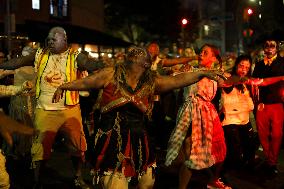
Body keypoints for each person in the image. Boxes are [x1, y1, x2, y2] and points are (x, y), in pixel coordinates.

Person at [51, 45, 224, 189]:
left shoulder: (151, 81)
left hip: (139, 136)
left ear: (146, 64)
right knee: (115, 184)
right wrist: (64, 86)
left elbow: (178, 80)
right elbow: (86, 82)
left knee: (146, 182)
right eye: (132, 56)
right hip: (112, 136)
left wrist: (201, 73)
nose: (134, 58)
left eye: (138, 58)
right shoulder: (111, 74)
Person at [0, 26, 104, 189]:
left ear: (64, 39)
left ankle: (78, 177)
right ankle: (38, 181)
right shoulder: (39, 54)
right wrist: (2, 66)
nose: (49, 41)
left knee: (77, 147)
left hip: (69, 110)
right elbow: (18, 62)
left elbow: (90, 65)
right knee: (39, 150)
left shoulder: (75, 56)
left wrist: (104, 65)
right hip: (44, 110)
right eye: (48, 39)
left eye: (53, 39)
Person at [165, 44, 230, 189]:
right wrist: (177, 70)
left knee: (214, 150)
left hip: (207, 115)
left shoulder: (217, 74)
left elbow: (226, 84)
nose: (200, 55)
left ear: (213, 57)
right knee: (188, 151)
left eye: (205, 53)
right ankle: (185, 183)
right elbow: (171, 76)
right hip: (189, 112)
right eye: (200, 52)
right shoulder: (191, 71)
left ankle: (212, 178)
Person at [252, 36, 284, 176]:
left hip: (278, 104)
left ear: (277, 48)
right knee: (263, 134)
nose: (269, 48)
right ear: (264, 48)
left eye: (272, 45)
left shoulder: (283, 63)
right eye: (267, 45)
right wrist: (257, 102)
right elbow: (254, 83)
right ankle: (269, 160)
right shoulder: (259, 65)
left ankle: (272, 161)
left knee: (277, 134)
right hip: (262, 105)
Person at [219, 55, 257, 171]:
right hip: (230, 121)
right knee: (234, 151)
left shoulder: (246, 83)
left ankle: (246, 165)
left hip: (245, 120)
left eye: (247, 67)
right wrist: (242, 79)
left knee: (252, 144)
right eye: (241, 65)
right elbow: (228, 82)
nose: (244, 69)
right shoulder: (227, 77)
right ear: (236, 65)